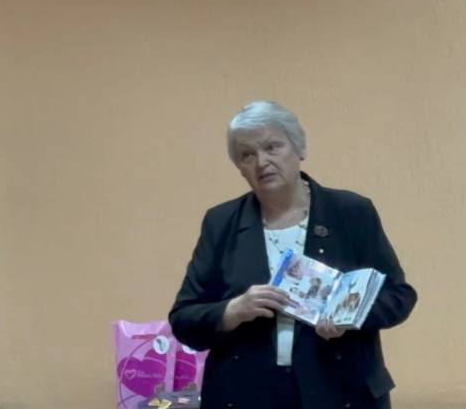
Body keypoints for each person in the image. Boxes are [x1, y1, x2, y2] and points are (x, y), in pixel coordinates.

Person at [168, 100, 417, 409]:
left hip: (341, 391)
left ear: (299, 148)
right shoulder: (221, 222)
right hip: (247, 394)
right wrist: (232, 310)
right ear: (240, 168)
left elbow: (399, 296)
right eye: (247, 155)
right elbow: (184, 318)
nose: (261, 162)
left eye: (272, 147)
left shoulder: (351, 212)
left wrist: (350, 316)